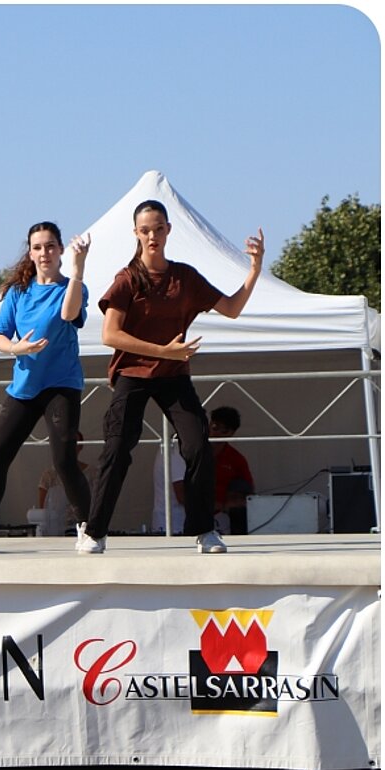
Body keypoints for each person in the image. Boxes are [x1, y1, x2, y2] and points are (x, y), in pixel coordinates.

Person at [78, 200, 264, 555]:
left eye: (158, 228)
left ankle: (204, 531)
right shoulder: (128, 278)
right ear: (136, 233)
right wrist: (162, 350)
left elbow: (232, 308)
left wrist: (254, 269)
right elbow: (109, 335)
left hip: (174, 375)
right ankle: (95, 531)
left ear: (168, 231)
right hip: (133, 372)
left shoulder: (185, 277)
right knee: (118, 448)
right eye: (145, 229)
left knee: (197, 446)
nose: (152, 235)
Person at [0, 223, 92, 553]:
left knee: (64, 460)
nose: (44, 252)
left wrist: (79, 268)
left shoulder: (72, 286)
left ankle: (88, 528)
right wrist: (15, 348)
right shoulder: (19, 292)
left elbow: (70, 313)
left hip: (61, 385)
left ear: (60, 250)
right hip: (25, 386)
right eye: (38, 247)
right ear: (30, 252)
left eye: (50, 246)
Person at [36, 431, 95, 536]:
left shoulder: (92, 473)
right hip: (56, 530)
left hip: (84, 528)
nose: (71, 448)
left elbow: (97, 501)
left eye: (75, 443)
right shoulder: (49, 475)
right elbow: (43, 507)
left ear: (81, 446)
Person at [210, 405, 253, 534]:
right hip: (191, 514)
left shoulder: (236, 459)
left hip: (224, 521)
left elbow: (249, 492)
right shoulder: (194, 451)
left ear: (232, 433)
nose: (216, 434)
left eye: (224, 431)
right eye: (214, 427)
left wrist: (233, 502)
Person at [152, 434, 185, 533]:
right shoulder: (176, 450)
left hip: (170, 521)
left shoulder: (171, 447)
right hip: (173, 524)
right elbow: (181, 495)